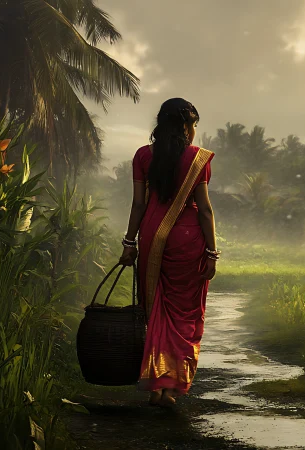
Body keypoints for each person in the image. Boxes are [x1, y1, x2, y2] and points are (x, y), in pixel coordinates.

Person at [118, 97, 218, 407]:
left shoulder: (143, 155)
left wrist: (129, 243)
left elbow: (138, 204)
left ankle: (155, 384)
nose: (194, 131)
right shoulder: (197, 158)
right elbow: (204, 210)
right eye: (194, 125)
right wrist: (212, 253)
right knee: (184, 314)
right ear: (186, 126)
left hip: (152, 236)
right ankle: (170, 385)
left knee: (156, 310)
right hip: (188, 241)